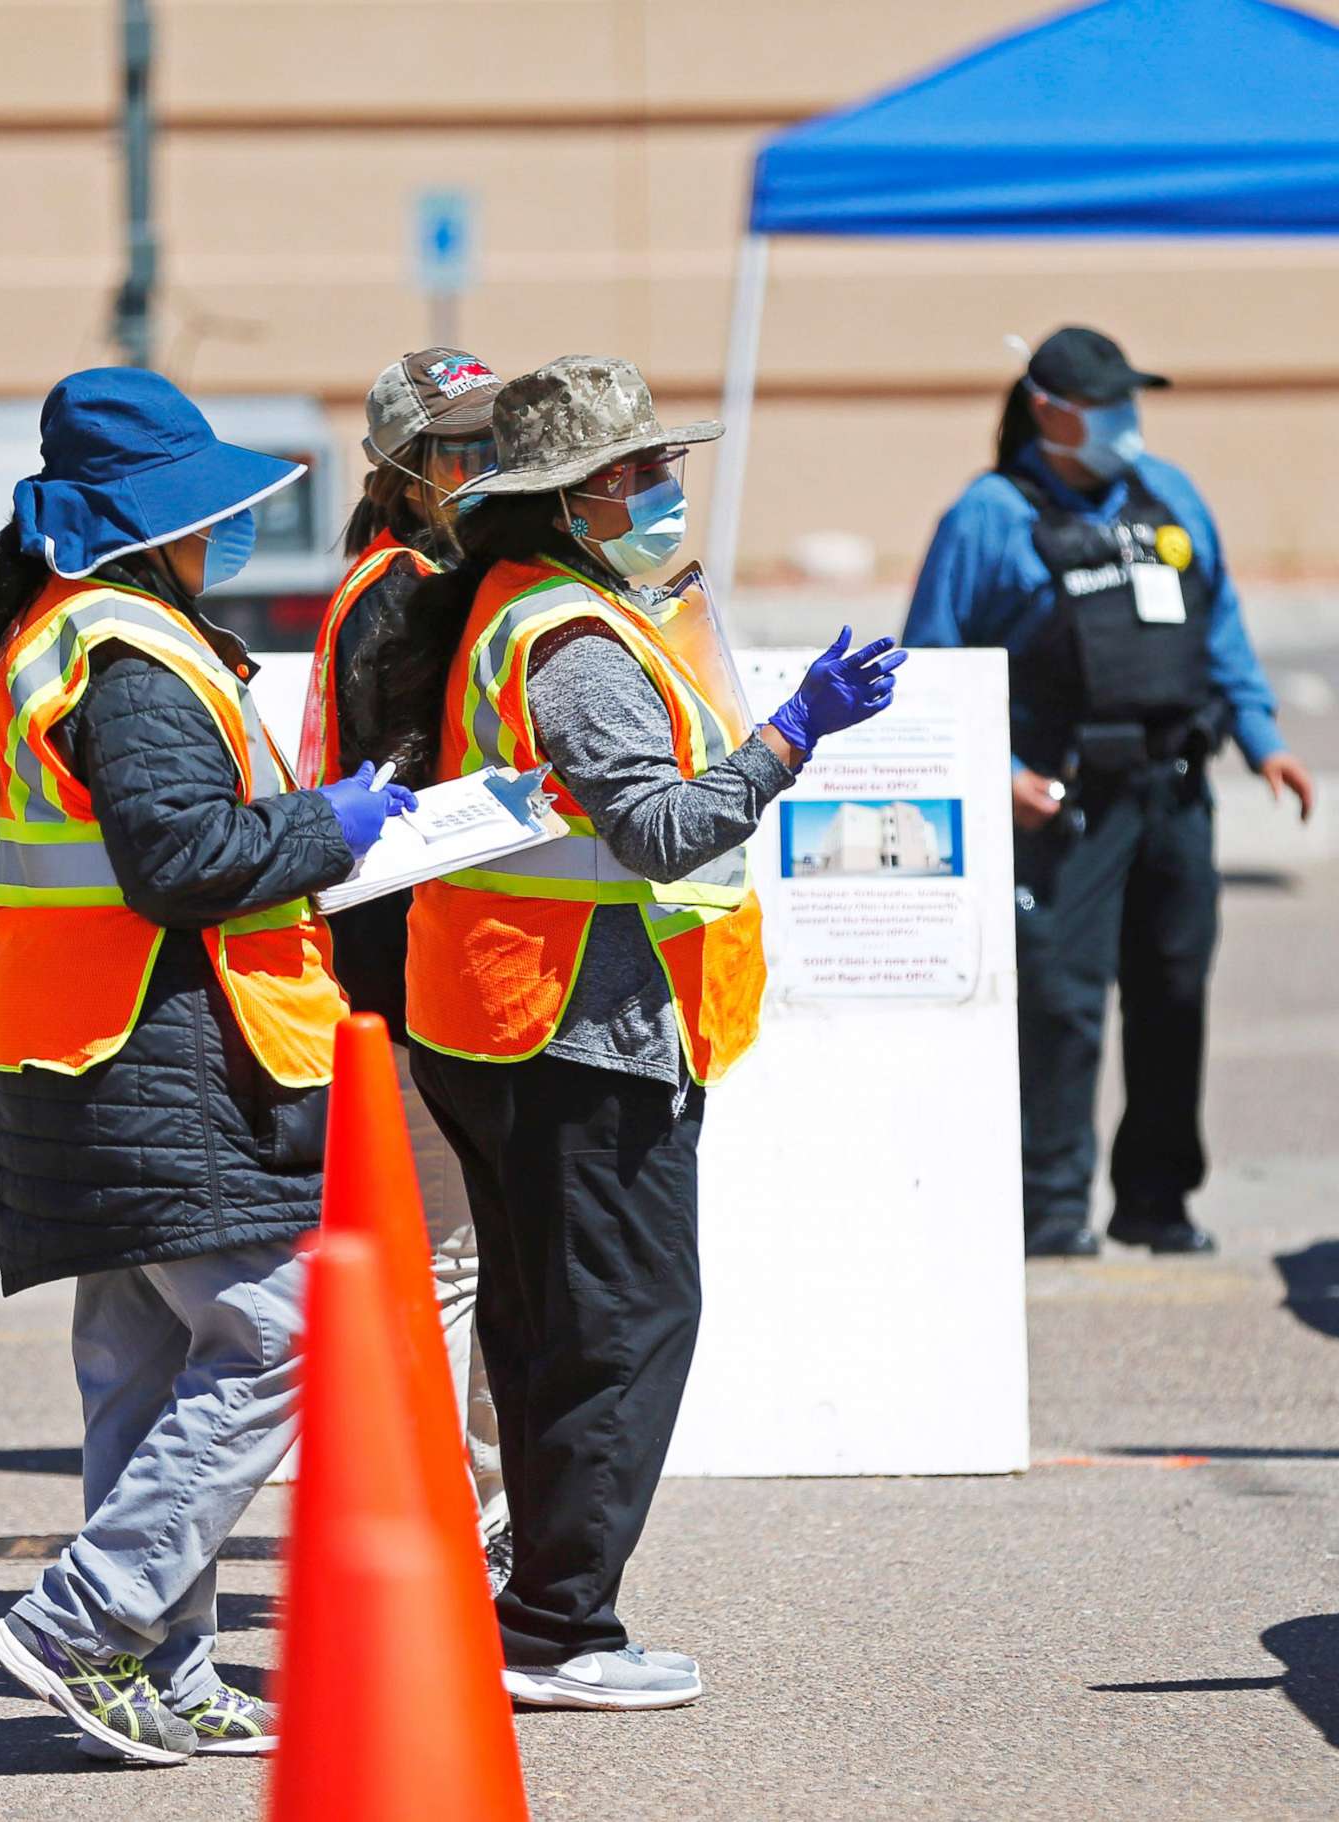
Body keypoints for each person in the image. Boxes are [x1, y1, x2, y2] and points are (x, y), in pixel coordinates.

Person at [375, 354, 903, 1710]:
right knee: (624, 1319)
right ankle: (559, 1624)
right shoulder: (571, 637)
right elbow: (664, 826)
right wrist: (794, 736)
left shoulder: (512, 601)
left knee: (548, 1317)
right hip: (578, 1030)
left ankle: (539, 1605)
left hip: (503, 1018)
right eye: (639, 474)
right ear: (574, 498)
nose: (666, 491)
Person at [0, 367, 414, 1765]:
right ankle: (90, 1617)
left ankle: (164, 1669)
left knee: (140, 1369)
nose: (229, 532)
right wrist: (335, 824)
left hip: (75, 1048)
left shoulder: (66, 628)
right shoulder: (131, 651)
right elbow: (186, 862)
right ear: (161, 522)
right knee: (278, 1333)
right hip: (160, 1046)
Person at [905, 325, 1315, 1259]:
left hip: (1174, 791)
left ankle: (1157, 1201)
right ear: (1047, 410)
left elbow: (1223, 630)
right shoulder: (988, 517)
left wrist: (1262, 738)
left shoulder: (1170, 498)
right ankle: (1050, 1207)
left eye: (1130, 401)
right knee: (1062, 1002)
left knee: (1173, 994)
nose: (1125, 421)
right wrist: (994, 775)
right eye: (1103, 404)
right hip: (1063, 800)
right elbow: (930, 662)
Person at [299, 346, 513, 1580]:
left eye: (495, 437)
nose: (482, 465)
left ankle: (464, 1504)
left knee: (463, 1250)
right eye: (458, 447)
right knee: (448, 1258)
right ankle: (454, 1514)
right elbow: (406, 790)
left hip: (404, 956)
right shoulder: (402, 590)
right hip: (394, 962)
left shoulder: (418, 576)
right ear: (401, 470)